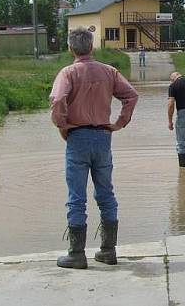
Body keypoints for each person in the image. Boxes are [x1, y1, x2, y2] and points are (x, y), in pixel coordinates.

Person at [50, 27, 139, 269]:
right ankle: (108, 251)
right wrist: (118, 124)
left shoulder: (67, 73)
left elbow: (58, 100)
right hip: (103, 136)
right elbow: (131, 96)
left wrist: (62, 124)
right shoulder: (109, 71)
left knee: (76, 198)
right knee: (106, 194)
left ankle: (76, 254)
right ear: (92, 47)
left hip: (77, 136)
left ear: (71, 48)